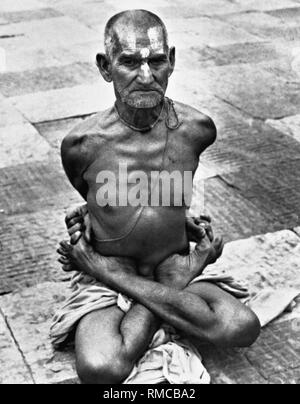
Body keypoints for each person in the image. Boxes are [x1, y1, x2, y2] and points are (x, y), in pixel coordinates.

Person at [54, 9, 260, 384]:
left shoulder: (198, 129)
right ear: (105, 66)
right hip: (114, 269)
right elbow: (92, 195)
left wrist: (97, 262)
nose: (146, 76)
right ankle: (169, 293)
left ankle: (160, 288)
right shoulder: (82, 144)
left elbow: (162, 194)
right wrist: (98, 234)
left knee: (243, 327)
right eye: (129, 62)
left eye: (157, 61)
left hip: (167, 261)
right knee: (101, 368)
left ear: (172, 61)